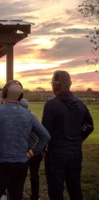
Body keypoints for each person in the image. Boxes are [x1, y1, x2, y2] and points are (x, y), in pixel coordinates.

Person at [0, 80, 51, 200]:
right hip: (21, 165)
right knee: (16, 196)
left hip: (0, 164)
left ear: (3, 94)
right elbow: (45, 136)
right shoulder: (29, 115)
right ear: (20, 96)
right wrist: (31, 153)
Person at [42, 70, 94, 200]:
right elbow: (89, 126)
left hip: (56, 153)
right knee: (75, 189)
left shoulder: (51, 105)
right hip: (75, 153)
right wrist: (78, 139)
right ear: (69, 84)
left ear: (55, 85)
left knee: (56, 191)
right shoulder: (80, 104)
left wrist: (42, 149)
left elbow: (44, 132)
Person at [19, 98, 44, 200]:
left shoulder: (20, 118)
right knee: (34, 174)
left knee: (21, 175)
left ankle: (18, 195)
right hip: (36, 150)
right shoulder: (33, 116)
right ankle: (35, 196)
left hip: (26, 152)